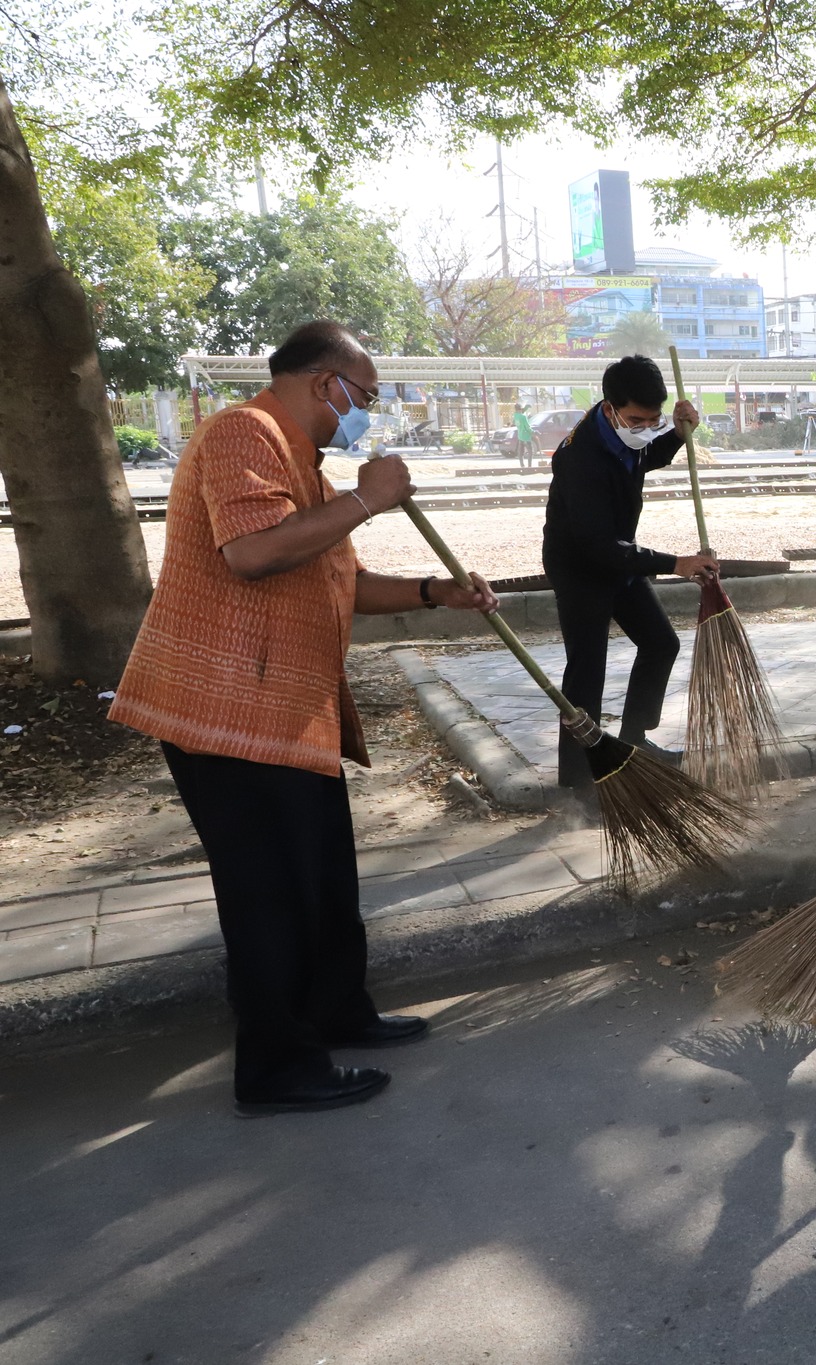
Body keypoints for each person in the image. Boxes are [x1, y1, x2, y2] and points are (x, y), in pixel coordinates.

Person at [110, 320, 502, 1115]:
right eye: (365, 397)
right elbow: (254, 553)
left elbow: (342, 584)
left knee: (323, 876)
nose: (365, 413)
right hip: (224, 715)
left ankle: (335, 1013)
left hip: (289, 713)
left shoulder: (307, 472)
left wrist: (438, 592)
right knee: (268, 894)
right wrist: (370, 497)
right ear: (327, 383)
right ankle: (277, 1066)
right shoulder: (240, 433)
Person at [542, 354, 718, 789]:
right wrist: (674, 563)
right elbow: (596, 545)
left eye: (653, 419)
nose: (644, 427)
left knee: (660, 643)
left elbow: (646, 455)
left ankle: (635, 740)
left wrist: (677, 434)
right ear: (610, 408)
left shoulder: (625, 435)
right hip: (582, 566)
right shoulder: (580, 457)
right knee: (586, 672)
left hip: (620, 558)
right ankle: (579, 782)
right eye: (636, 420)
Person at [512, 403, 537, 470]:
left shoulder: (515, 415)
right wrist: (533, 432)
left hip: (520, 436)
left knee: (521, 452)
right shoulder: (523, 417)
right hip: (526, 437)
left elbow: (520, 412)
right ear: (520, 409)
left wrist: (525, 408)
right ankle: (529, 466)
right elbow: (527, 427)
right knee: (530, 452)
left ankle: (522, 465)